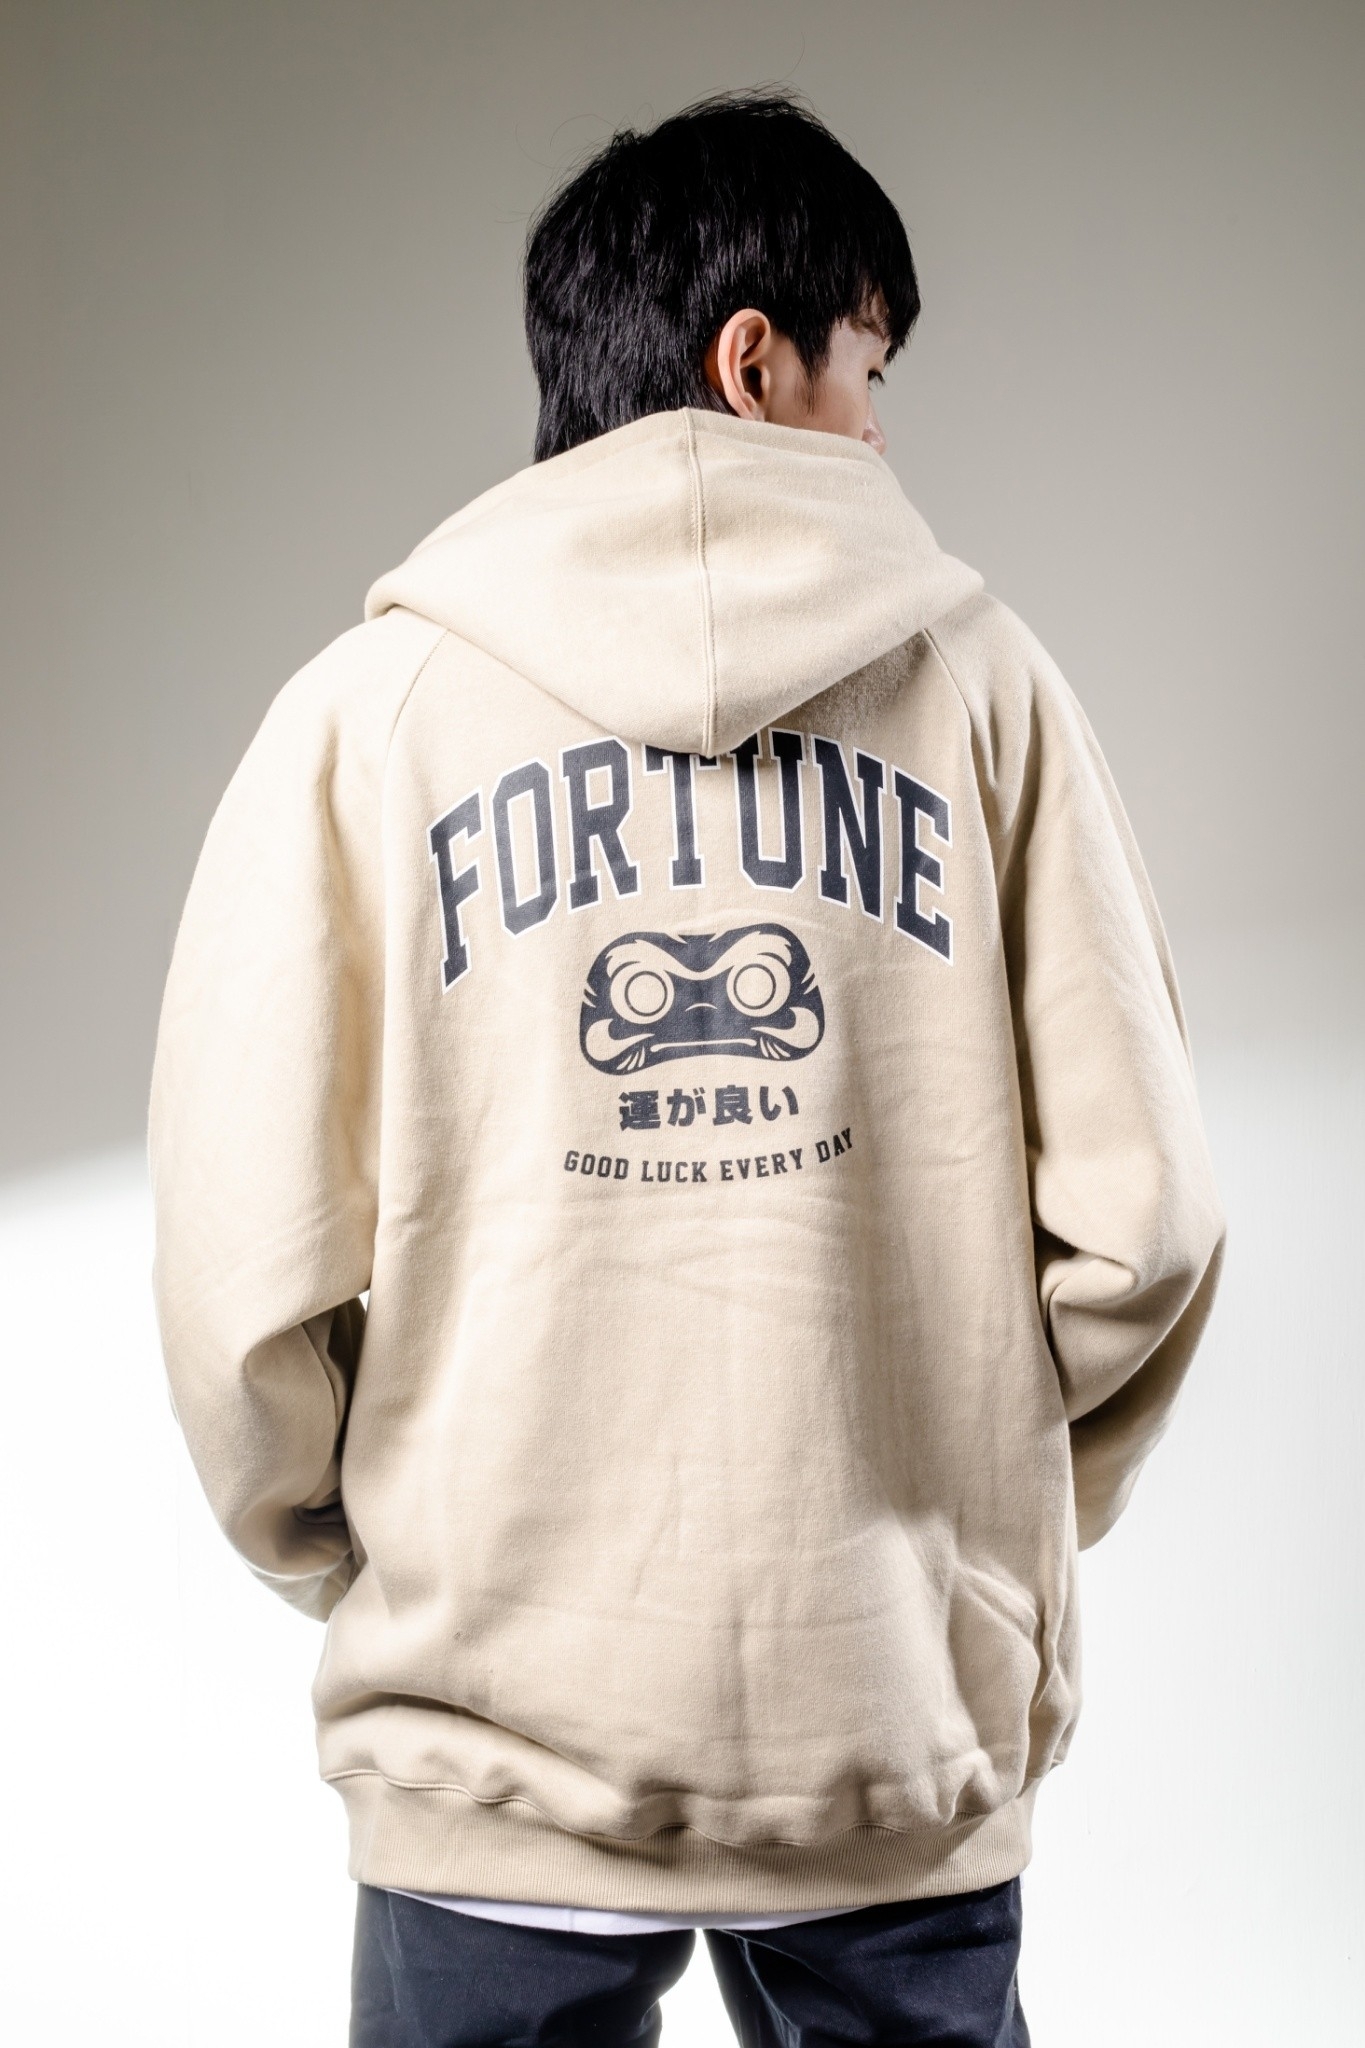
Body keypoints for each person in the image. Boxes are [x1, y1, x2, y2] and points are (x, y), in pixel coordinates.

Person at [149, 91, 1225, 2047]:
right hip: (883, 1716)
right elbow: (1140, 1226)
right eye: (868, 372)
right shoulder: (985, 690)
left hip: (490, 1728)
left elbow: (243, 1276)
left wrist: (377, 1549)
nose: (880, 434)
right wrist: (970, 1495)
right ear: (754, 360)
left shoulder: (370, 715)